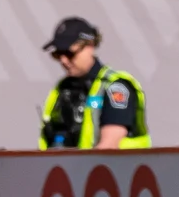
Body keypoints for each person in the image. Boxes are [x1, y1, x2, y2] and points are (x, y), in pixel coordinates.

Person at [39, 17, 150, 149]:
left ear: (90, 46)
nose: (63, 60)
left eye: (69, 53)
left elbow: (109, 146)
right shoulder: (62, 89)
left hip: (112, 163)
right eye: (57, 54)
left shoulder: (115, 87)